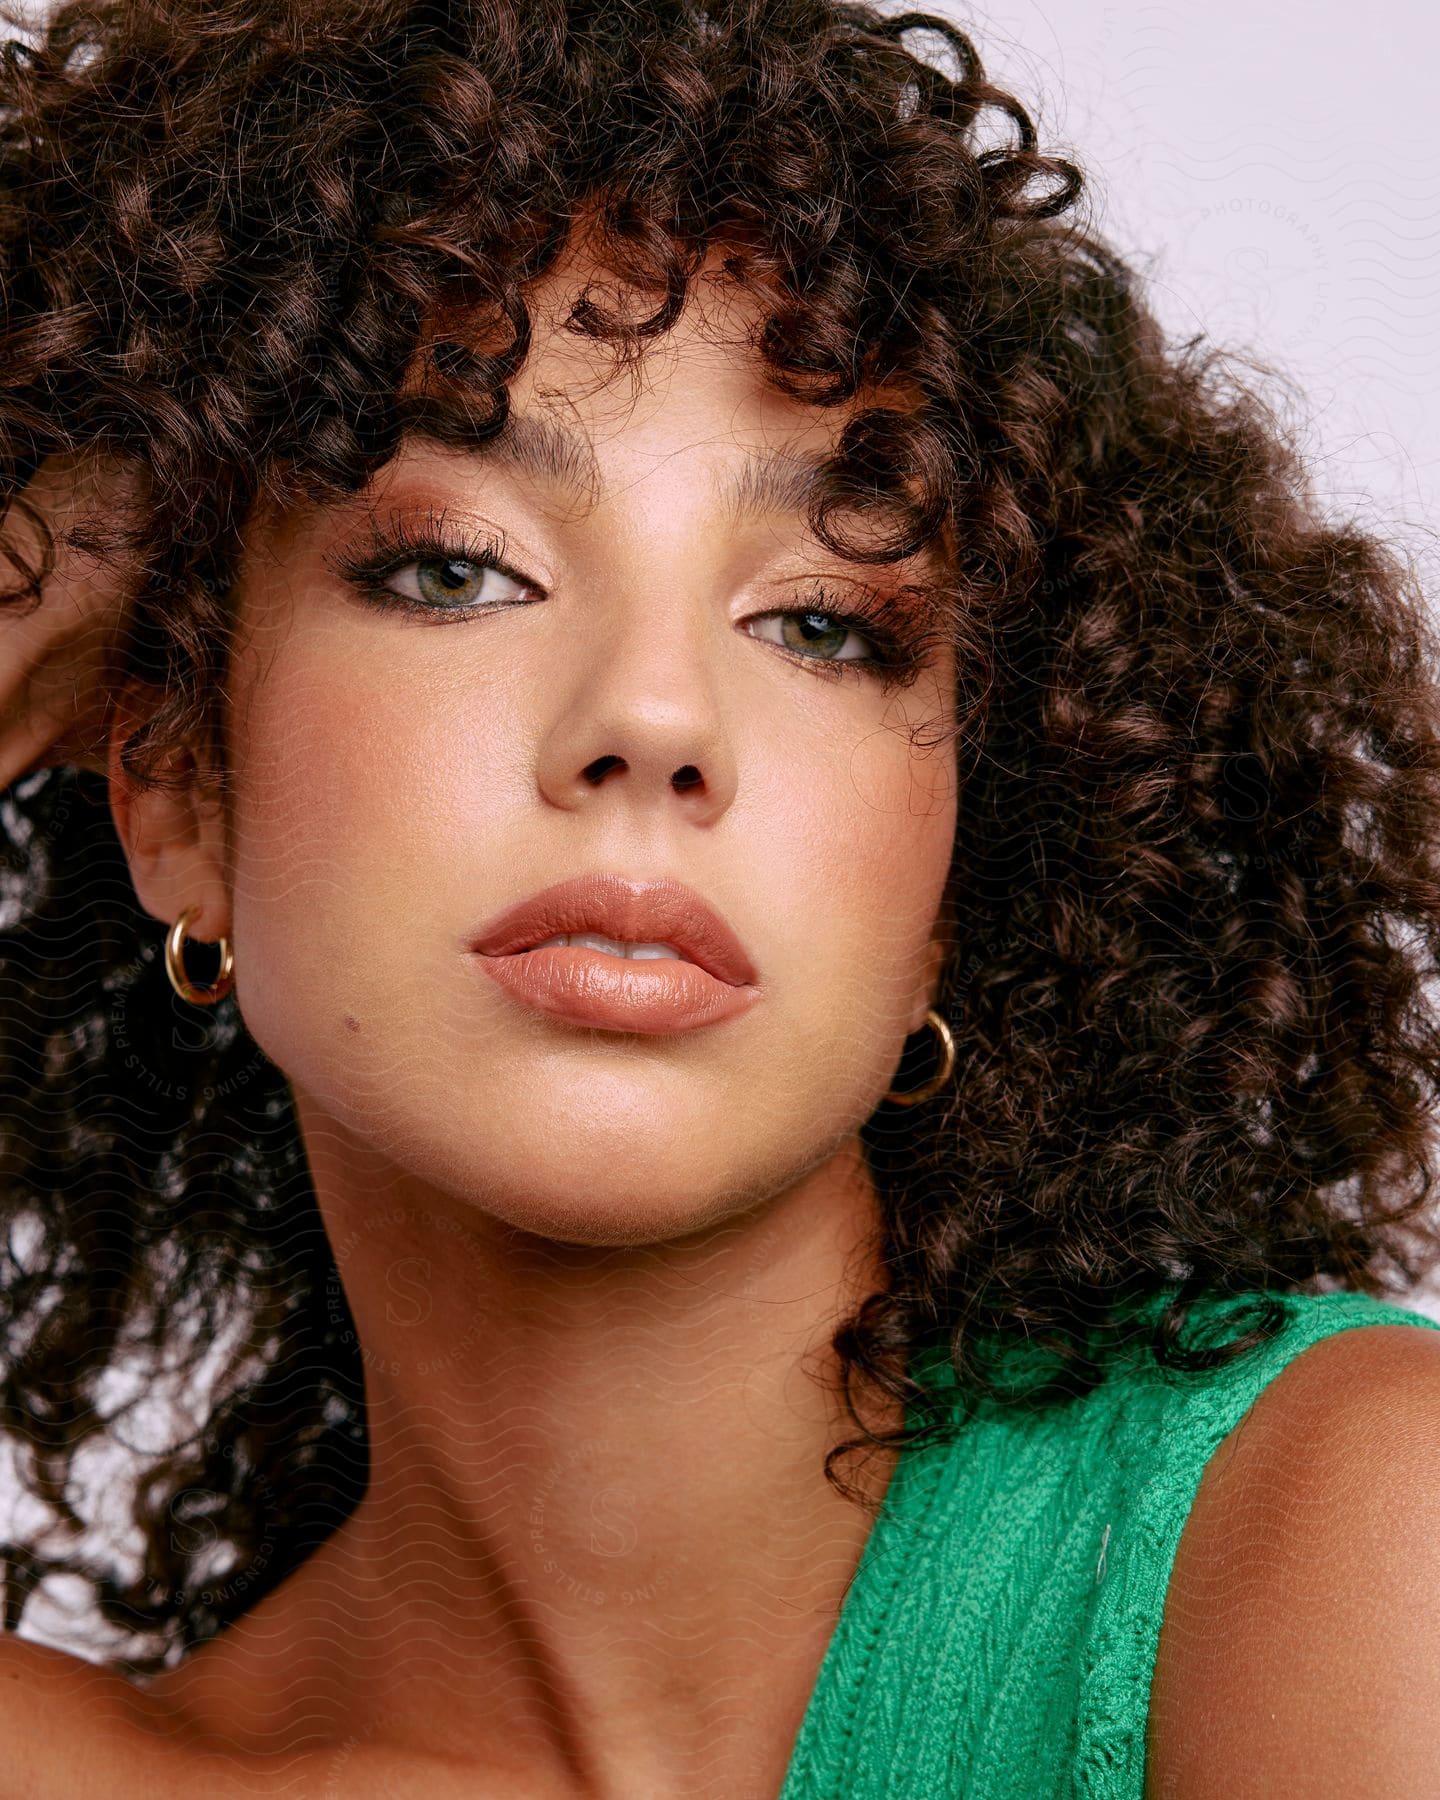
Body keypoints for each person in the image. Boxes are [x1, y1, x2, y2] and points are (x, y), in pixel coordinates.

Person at [2, 1, 1440, 1795]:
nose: (656, 726)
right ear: (179, 790)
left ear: (967, 861)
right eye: (458, 569)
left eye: (824, 624)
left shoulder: (1343, 1542)